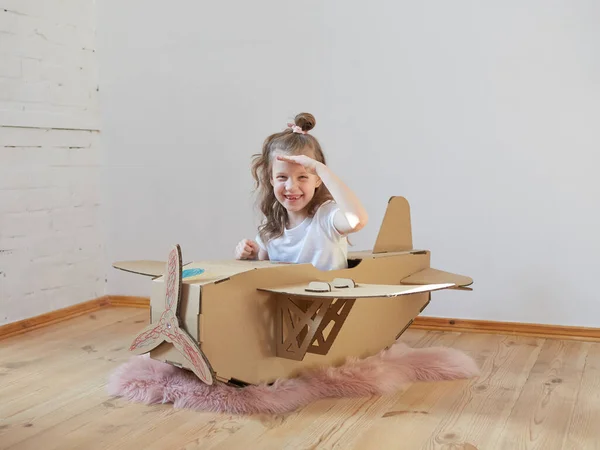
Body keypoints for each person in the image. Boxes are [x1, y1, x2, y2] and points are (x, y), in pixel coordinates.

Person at [234, 112, 368, 271]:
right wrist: (252, 254)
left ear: (318, 179)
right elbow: (263, 268)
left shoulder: (327, 217)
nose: (291, 186)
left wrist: (320, 169)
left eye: (303, 177)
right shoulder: (271, 227)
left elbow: (357, 221)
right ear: (271, 180)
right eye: (282, 177)